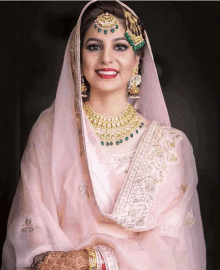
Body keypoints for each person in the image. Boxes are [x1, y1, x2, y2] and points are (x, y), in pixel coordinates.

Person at [1, 1, 206, 269]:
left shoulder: (171, 147)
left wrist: (95, 260)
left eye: (120, 46)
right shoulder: (50, 130)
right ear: (79, 56)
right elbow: (31, 225)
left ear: (137, 59)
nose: (106, 58)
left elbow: (175, 245)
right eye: (94, 46)